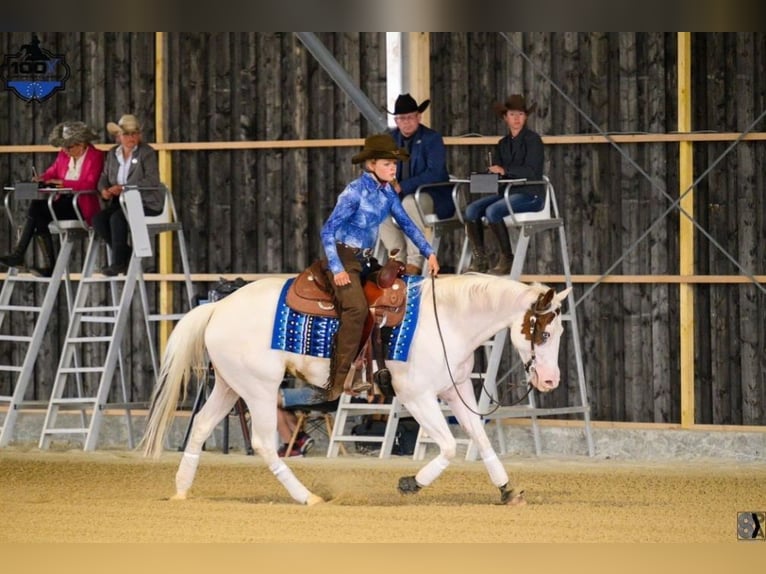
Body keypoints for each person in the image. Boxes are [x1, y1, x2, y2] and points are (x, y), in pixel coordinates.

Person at [320, 133, 440, 400]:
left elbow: (407, 224)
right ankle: (339, 378)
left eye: (394, 164)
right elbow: (328, 230)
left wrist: (429, 252)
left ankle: (379, 367)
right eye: (387, 164)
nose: (393, 168)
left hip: (365, 258)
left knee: (393, 294)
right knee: (356, 308)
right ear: (371, 164)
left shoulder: (387, 194)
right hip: (344, 256)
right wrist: (337, 268)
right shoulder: (353, 192)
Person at [0, 121, 104, 277]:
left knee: (38, 210)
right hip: (63, 201)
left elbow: (89, 183)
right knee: (38, 214)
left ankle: (21, 255)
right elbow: (52, 172)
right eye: (64, 147)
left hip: (81, 205)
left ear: (81, 144)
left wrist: (61, 182)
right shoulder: (63, 155)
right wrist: (41, 178)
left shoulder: (96, 156)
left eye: (69, 147)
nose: (65, 151)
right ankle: (44, 264)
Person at [463, 94, 545, 275]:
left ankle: (507, 257)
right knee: (471, 210)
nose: (516, 118)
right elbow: (499, 177)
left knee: (493, 211)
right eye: (512, 114)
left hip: (531, 194)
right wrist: (485, 176)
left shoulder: (533, 141)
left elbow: (531, 171)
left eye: (521, 114)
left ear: (526, 117)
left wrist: (503, 170)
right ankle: (480, 258)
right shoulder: (502, 144)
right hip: (507, 193)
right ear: (505, 118)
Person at [378, 94, 450, 276]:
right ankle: (397, 259)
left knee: (409, 203)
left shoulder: (432, 139)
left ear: (419, 117)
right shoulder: (390, 139)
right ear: (396, 120)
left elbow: (436, 173)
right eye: (402, 118)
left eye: (410, 117)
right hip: (401, 196)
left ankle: (414, 261)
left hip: (432, 195)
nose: (406, 122)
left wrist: (402, 186)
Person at [93, 114, 162, 276]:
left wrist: (124, 188)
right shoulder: (112, 154)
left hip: (144, 202)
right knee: (98, 219)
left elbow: (152, 180)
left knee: (118, 218)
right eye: (127, 134)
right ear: (118, 137)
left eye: (134, 133)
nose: (131, 137)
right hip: (121, 202)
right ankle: (125, 254)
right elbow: (104, 176)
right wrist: (104, 189)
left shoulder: (146, 153)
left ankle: (118, 262)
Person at [275, 385, 324, 457]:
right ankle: (300, 437)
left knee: (269, 401)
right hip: (330, 396)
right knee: (279, 405)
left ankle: (292, 447)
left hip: (321, 393)